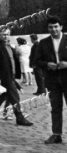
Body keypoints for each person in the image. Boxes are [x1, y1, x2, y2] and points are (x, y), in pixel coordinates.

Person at [0, 28, 33, 126]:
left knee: (2, 96)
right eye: (3, 34)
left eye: (7, 34)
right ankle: (20, 118)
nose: (6, 36)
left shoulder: (9, 47)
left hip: (11, 75)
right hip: (4, 76)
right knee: (15, 97)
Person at [35, 15, 67, 144]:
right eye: (50, 27)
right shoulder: (43, 43)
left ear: (61, 27)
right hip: (53, 80)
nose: (53, 29)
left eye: (56, 27)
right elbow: (37, 61)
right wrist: (47, 64)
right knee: (56, 108)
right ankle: (56, 134)